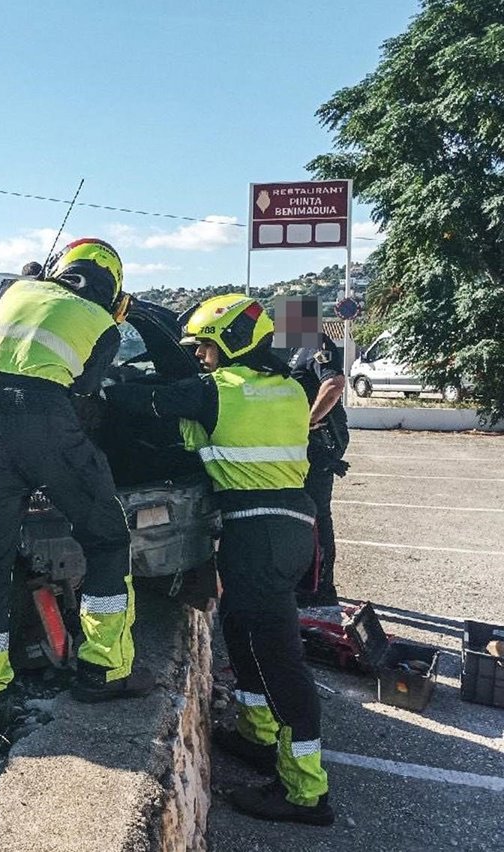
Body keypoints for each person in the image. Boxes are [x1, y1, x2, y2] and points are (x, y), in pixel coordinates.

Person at [105, 294, 333, 826]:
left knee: (280, 660)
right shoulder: (287, 388)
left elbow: (145, 400)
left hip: (260, 535)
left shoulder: (217, 391)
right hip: (285, 527)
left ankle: (306, 792)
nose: (200, 357)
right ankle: (256, 735)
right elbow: (206, 428)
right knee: (241, 629)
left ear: (231, 343)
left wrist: (104, 385)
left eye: (206, 347)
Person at [0, 237, 153, 722]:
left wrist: (19, 282)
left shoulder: (13, 292)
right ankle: (104, 670)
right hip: (47, 422)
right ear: (113, 289)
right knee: (107, 540)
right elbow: (85, 388)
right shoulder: (104, 324)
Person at [289, 332, 349, 611]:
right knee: (301, 515)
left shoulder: (315, 342)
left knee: (316, 515)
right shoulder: (290, 347)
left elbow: (334, 384)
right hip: (299, 448)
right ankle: (305, 583)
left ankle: (321, 588)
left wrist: (307, 421)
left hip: (317, 447)